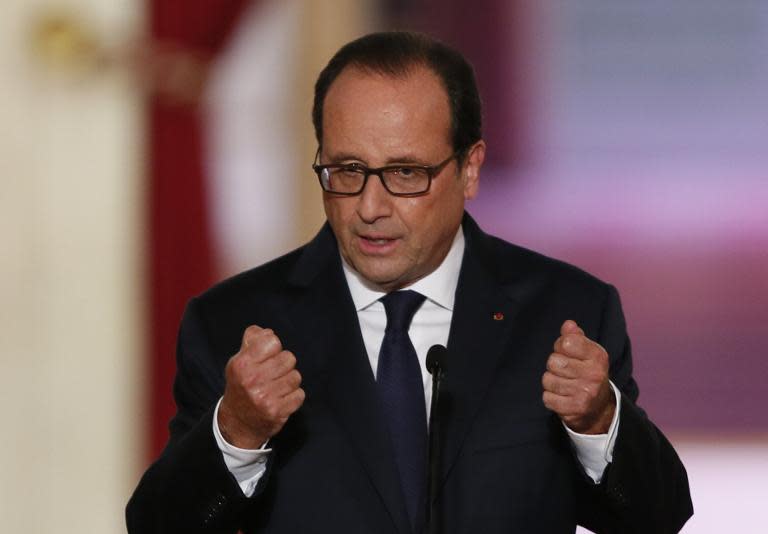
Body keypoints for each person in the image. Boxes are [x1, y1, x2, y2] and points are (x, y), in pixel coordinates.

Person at [127, 31, 692, 533]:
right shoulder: (234, 324)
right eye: (347, 171)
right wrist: (237, 433)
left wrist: (599, 423)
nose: (370, 207)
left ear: (469, 169)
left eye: (404, 173)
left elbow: (656, 517)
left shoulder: (567, 315)